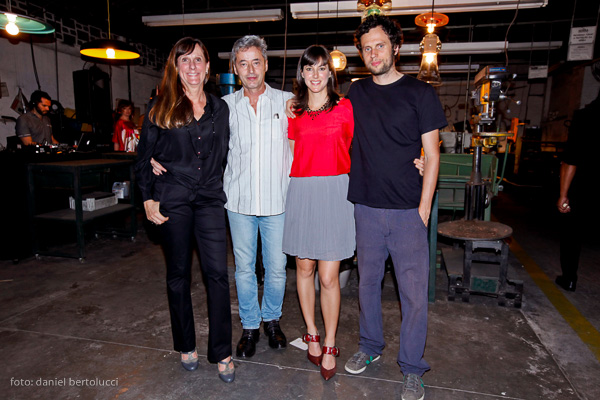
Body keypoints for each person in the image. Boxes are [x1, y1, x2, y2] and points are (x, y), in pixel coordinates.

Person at [151, 35, 294, 359]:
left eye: (256, 62)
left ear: (266, 65)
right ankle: (249, 326)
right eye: (243, 63)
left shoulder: (287, 103)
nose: (251, 69)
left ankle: (272, 320)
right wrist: (154, 156)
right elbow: (185, 140)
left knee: (275, 268)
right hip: (238, 203)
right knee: (243, 269)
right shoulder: (223, 108)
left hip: (277, 203)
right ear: (235, 69)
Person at [342, 15, 446, 400]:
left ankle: (413, 369)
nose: (373, 53)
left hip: (407, 211)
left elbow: (433, 156)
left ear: (396, 48)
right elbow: (327, 124)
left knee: (413, 295)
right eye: (366, 47)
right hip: (366, 208)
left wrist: (423, 209)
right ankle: (370, 347)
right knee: (367, 285)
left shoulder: (421, 94)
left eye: (380, 45)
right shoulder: (354, 93)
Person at [135, 37, 234, 383]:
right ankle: (186, 344)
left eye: (198, 60)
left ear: (208, 68)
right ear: (176, 68)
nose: (192, 66)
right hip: (173, 198)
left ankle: (222, 349)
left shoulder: (220, 109)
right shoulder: (159, 107)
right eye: (185, 61)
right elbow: (142, 157)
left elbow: (226, 152)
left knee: (217, 275)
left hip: (208, 199)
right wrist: (148, 197)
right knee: (178, 275)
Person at [282, 45, 355, 381]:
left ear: (330, 72)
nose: (315, 75)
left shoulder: (345, 108)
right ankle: (311, 331)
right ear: (302, 73)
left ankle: (330, 341)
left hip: (336, 192)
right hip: (303, 190)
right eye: (309, 69)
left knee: (328, 275)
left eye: (321, 68)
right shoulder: (293, 111)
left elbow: (360, 148)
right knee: (304, 265)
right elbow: (296, 155)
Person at [555, 93, 598, 292]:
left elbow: (571, 160)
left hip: (584, 186)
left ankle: (569, 278)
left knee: (572, 234)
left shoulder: (584, 116)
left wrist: (563, 195)